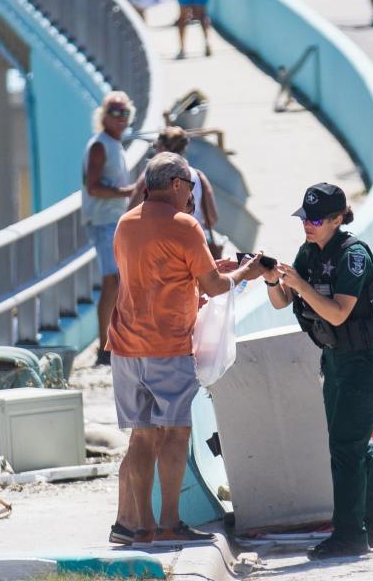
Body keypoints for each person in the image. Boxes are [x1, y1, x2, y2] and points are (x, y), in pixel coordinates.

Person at [107, 152, 263, 547]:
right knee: (175, 434)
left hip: (125, 347)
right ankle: (170, 522)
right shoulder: (184, 224)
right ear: (177, 184)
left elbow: (162, 272)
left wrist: (216, 266)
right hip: (167, 346)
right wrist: (247, 272)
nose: (190, 195)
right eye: (189, 187)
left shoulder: (125, 224)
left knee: (141, 437)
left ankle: (141, 528)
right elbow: (211, 288)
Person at [264, 183, 373, 559]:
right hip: (336, 359)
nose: (307, 226)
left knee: (346, 446)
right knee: (351, 445)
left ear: (338, 219)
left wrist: (302, 286)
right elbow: (281, 303)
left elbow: (339, 312)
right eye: (304, 218)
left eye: (316, 219)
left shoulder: (352, 255)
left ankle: (350, 534)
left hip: (365, 360)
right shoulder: (309, 252)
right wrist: (272, 279)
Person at [82, 92, 136, 367]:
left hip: (114, 221)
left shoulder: (116, 144)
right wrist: (127, 191)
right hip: (103, 222)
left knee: (119, 282)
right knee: (111, 282)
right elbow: (93, 186)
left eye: (124, 113)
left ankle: (113, 340)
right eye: (114, 113)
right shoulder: (100, 146)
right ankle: (104, 346)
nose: (120, 118)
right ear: (103, 116)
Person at [128, 127, 221, 256]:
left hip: (163, 248)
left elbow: (131, 213)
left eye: (155, 146)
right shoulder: (198, 176)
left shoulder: (149, 176)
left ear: (162, 148)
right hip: (194, 244)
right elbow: (212, 217)